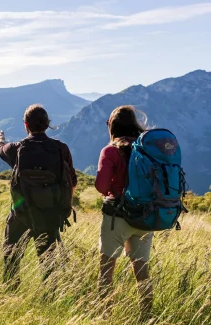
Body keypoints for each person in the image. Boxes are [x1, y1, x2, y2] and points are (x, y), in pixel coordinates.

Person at [0, 104, 77, 290]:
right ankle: (50, 298)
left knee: (11, 255)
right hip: (50, 214)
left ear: (26, 125)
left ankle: (10, 292)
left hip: (21, 213)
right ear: (47, 124)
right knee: (48, 262)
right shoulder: (60, 148)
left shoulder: (17, 149)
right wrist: (62, 207)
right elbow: (72, 181)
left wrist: (0, 138)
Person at [95, 105, 153, 316]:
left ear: (112, 126)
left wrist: (113, 188)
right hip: (146, 217)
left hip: (117, 216)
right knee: (142, 271)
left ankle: (105, 315)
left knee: (106, 270)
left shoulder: (110, 150)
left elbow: (101, 187)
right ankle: (146, 316)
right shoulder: (147, 149)